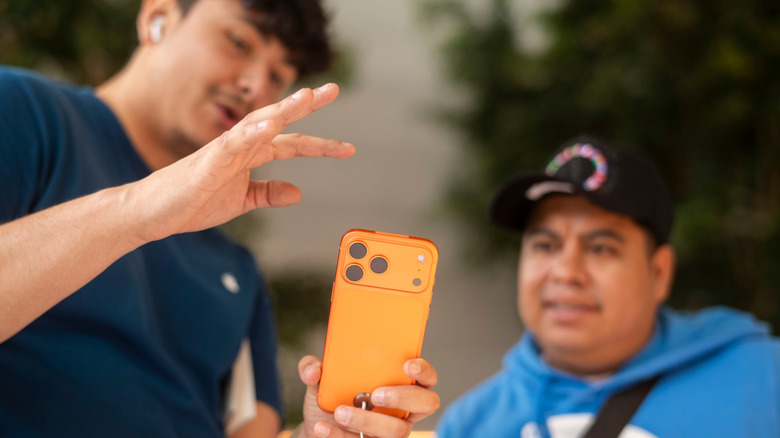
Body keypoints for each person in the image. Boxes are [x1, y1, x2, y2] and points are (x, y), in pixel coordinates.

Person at [0, 0, 439, 437]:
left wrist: (321, 432)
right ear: (159, 18)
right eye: (238, 42)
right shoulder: (23, 111)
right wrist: (139, 210)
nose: (253, 86)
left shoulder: (238, 271)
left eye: (278, 77)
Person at [435, 137, 780, 438]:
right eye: (546, 245)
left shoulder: (762, 379)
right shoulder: (470, 425)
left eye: (600, 248)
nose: (566, 273)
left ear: (659, 272)